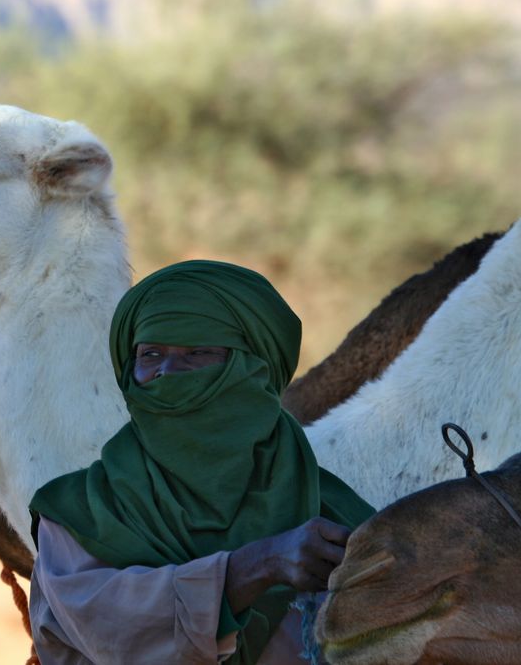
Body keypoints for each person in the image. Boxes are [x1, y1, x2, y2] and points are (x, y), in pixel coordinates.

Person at [28, 260, 376, 664]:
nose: (169, 372)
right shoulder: (81, 516)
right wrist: (258, 565)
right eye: (151, 353)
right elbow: (118, 634)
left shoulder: (331, 508)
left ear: (254, 370)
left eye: (199, 352)